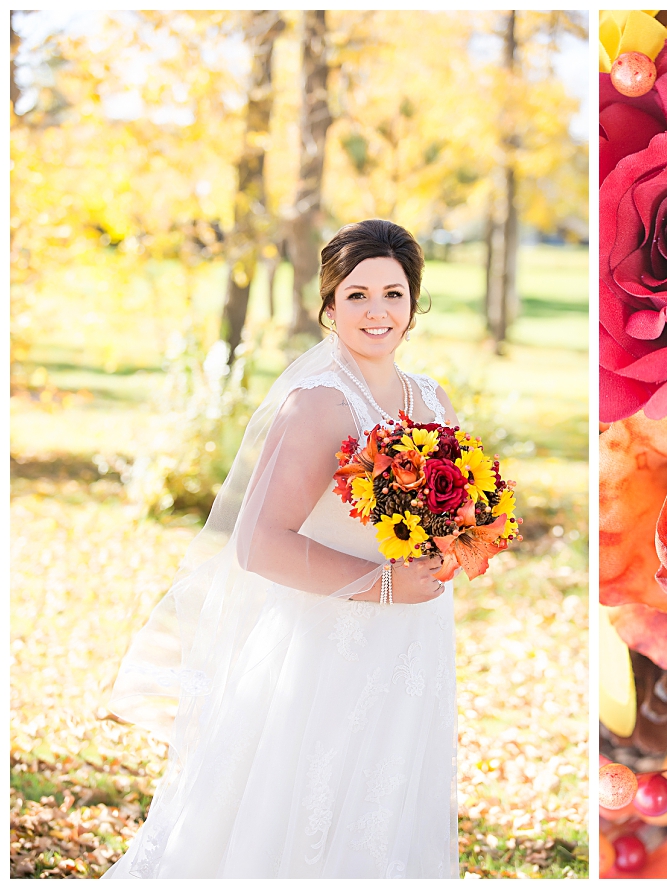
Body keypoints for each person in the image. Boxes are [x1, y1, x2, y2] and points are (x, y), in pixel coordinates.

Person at [104, 220, 459, 879]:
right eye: (356, 296)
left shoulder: (431, 397)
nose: (377, 311)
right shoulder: (320, 405)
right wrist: (383, 583)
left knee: (384, 794)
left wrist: (454, 548)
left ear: (414, 302)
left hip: (412, 639)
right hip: (327, 643)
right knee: (302, 804)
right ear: (328, 306)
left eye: (393, 293)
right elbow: (258, 543)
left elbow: (450, 509)